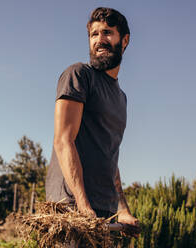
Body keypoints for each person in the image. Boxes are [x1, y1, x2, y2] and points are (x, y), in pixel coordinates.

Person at [45, 7, 139, 231]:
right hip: (70, 207)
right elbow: (63, 140)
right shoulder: (78, 76)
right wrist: (83, 205)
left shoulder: (121, 98)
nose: (99, 40)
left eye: (107, 32)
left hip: (105, 210)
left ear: (124, 40)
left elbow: (111, 157)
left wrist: (122, 209)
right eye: (93, 34)